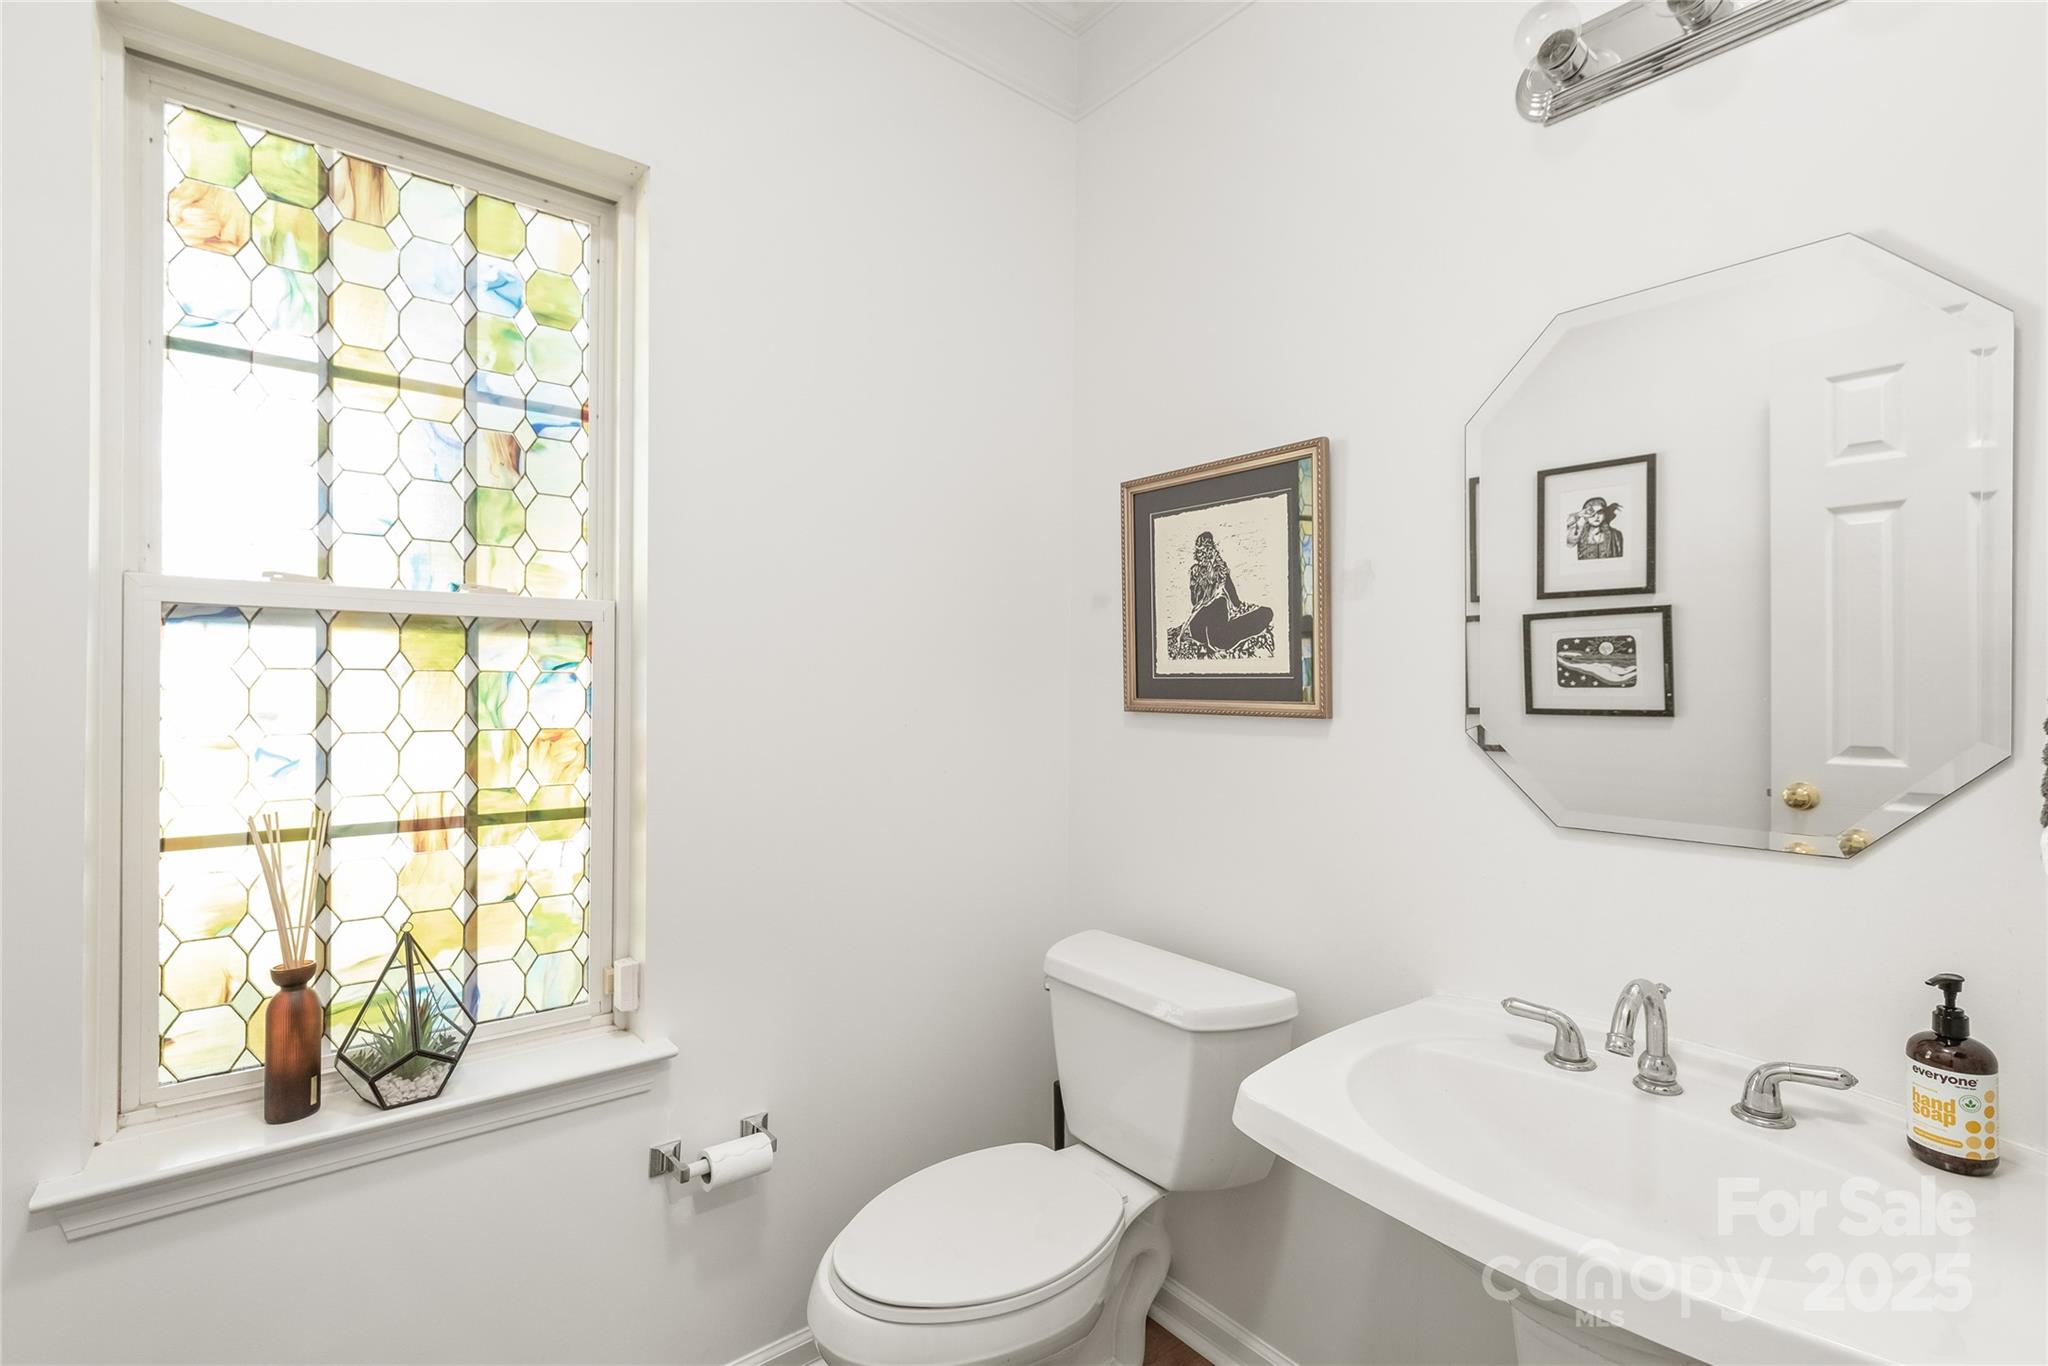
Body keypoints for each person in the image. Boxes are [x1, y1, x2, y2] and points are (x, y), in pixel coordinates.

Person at [1185, 531, 1274, 654]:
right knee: (1221, 635)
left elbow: (1194, 601)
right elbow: (1235, 601)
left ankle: (1257, 618)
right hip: (1210, 630)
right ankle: (1258, 618)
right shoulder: (1216, 570)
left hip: (1197, 629)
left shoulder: (1200, 571)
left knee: (1219, 626)